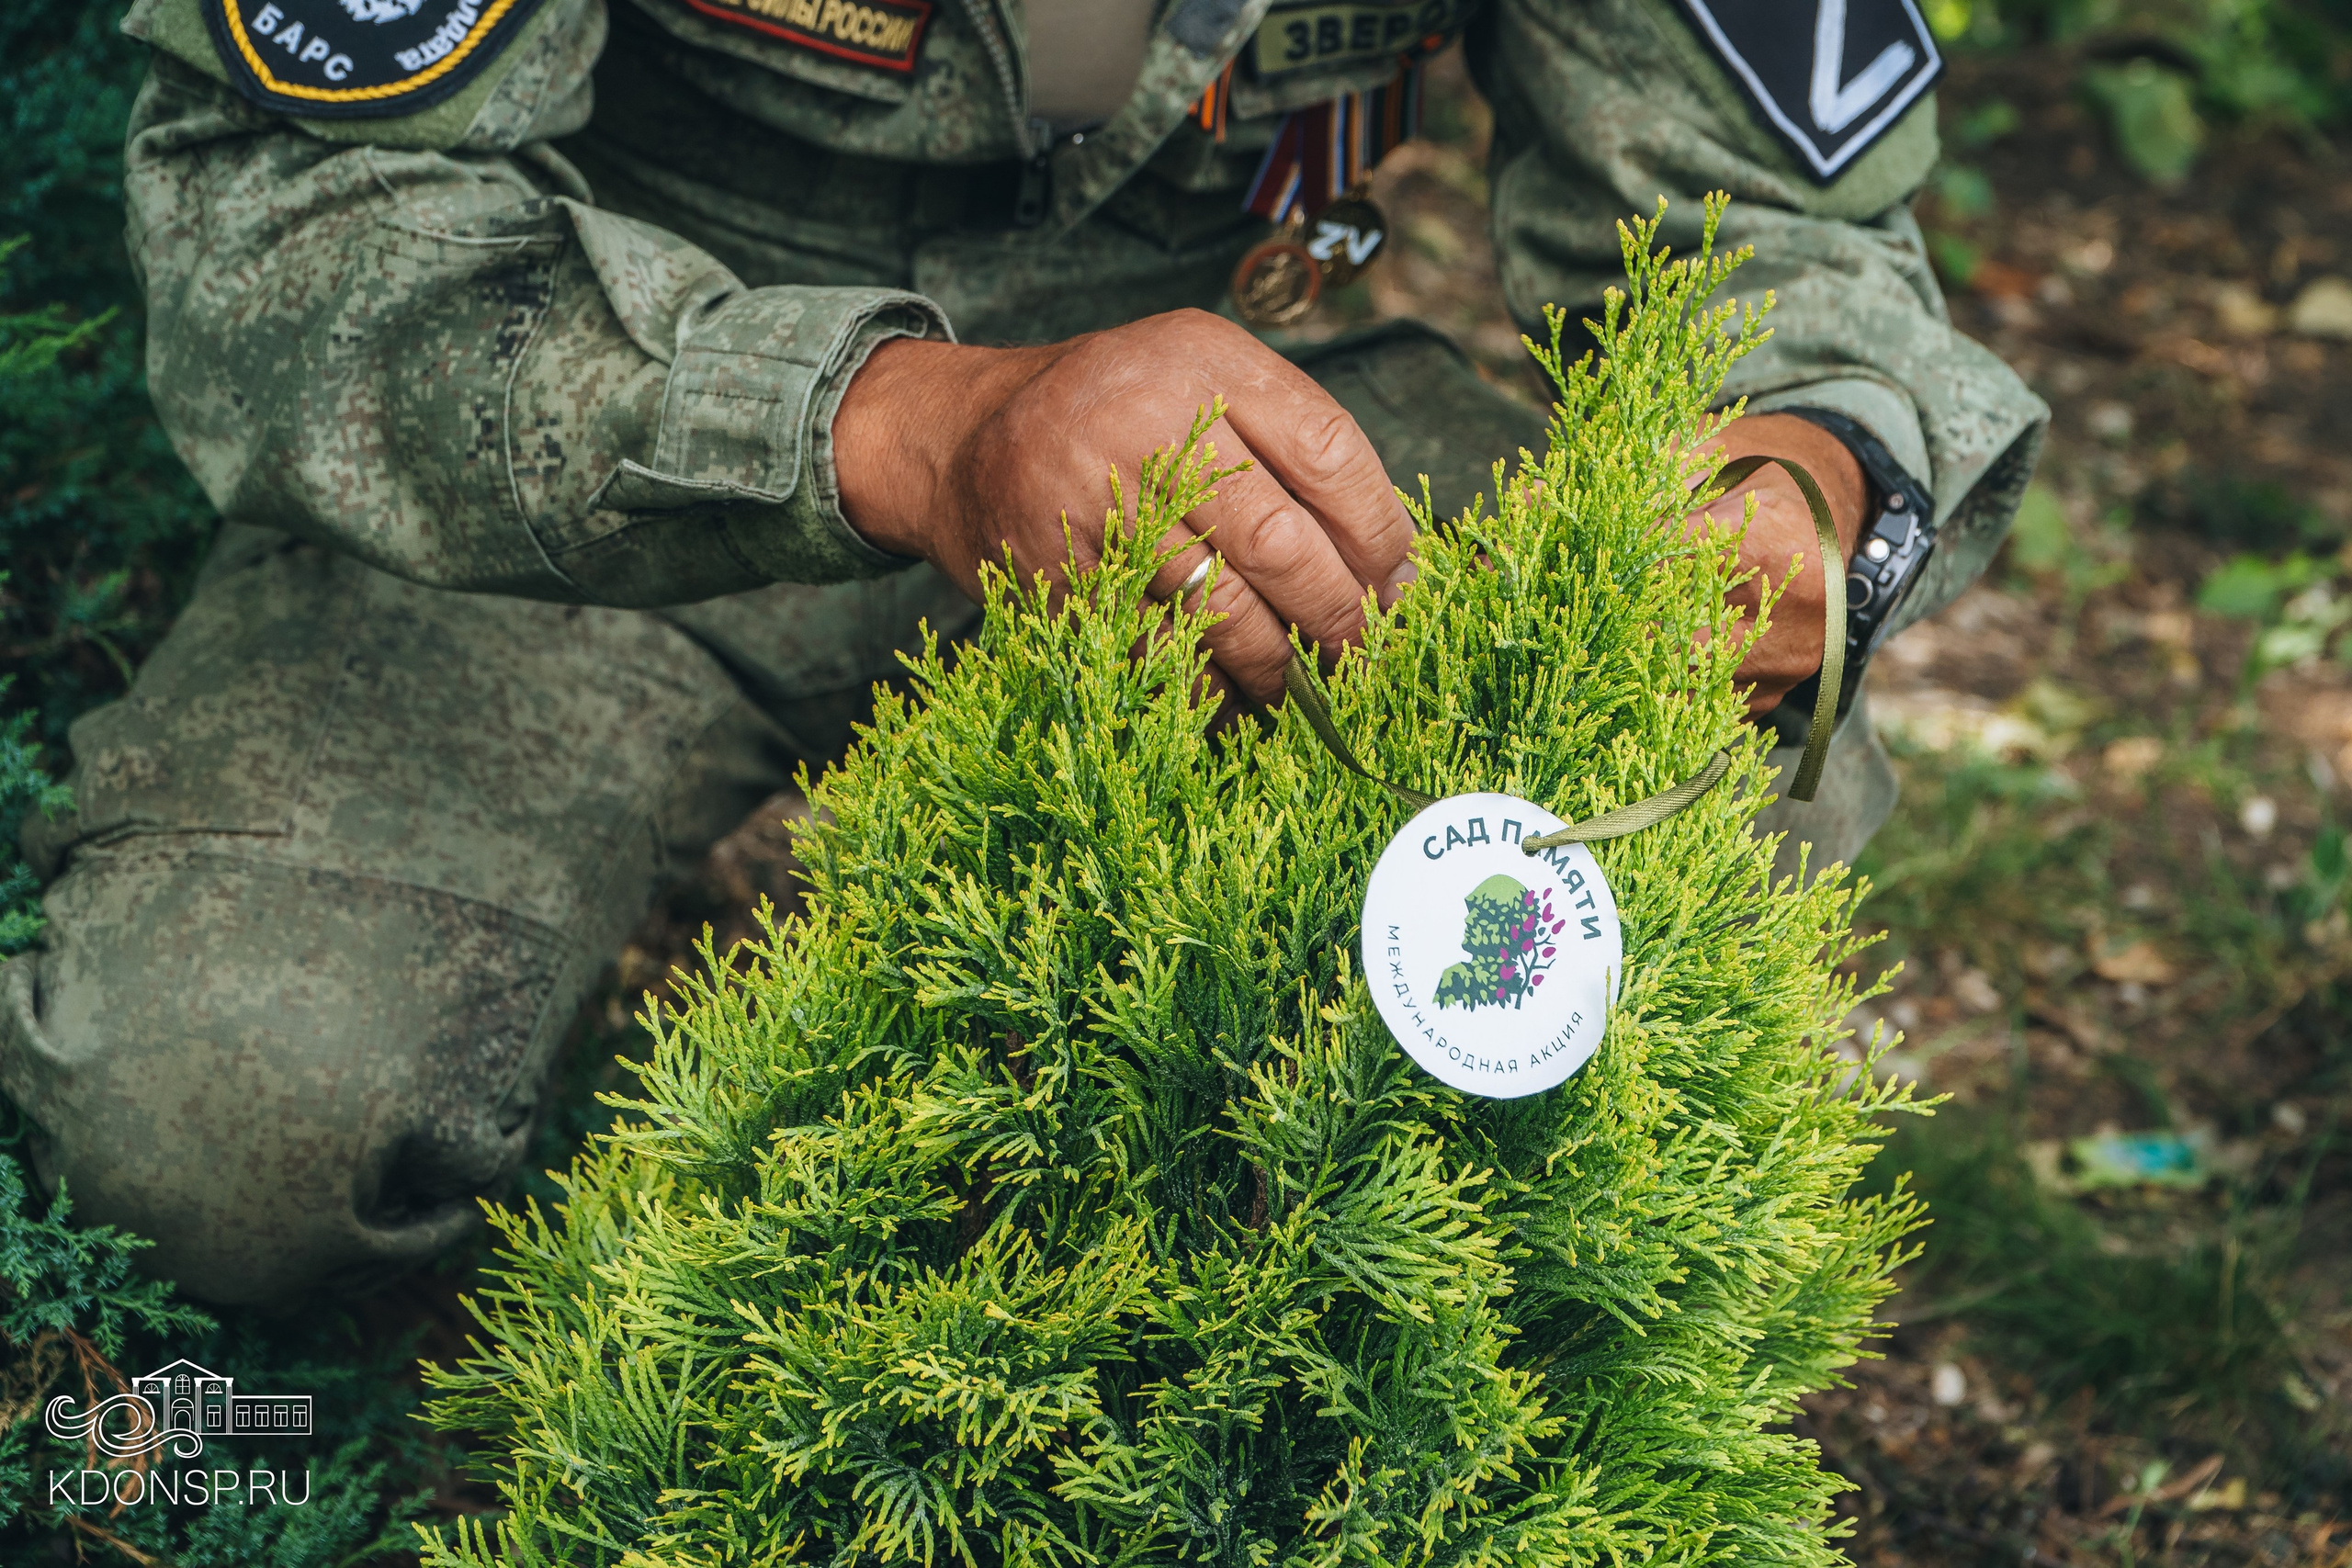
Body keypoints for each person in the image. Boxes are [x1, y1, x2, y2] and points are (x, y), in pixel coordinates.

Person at [2, 0, 2043, 1308]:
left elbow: (1776, 232)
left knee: (1669, 920)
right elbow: (295, 230)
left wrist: (1808, 465)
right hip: (608, 442)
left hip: (1229, 466)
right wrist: (910, 423)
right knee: (226, 1114)